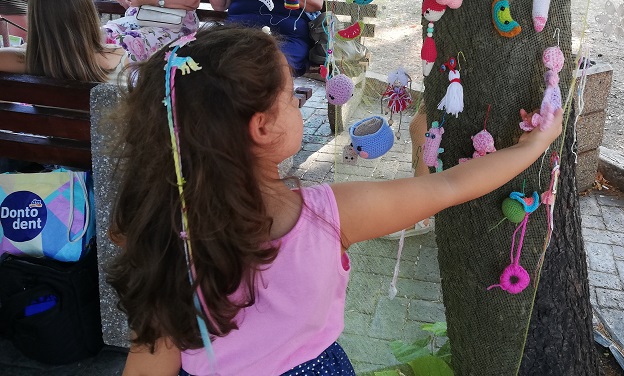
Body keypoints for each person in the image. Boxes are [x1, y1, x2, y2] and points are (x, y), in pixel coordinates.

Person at [108, 24, 563, 376]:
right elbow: (447, 188)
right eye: (292, 97)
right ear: (262, 127)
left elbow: (149, 363)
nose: (299, 101)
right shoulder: (326, 217)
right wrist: (531, 147)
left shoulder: (162, 237)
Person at [0, 0, 126, 81]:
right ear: (89, 15)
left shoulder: (15, 60)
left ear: (35, 19)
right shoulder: (118, 57)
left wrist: (24, 47)